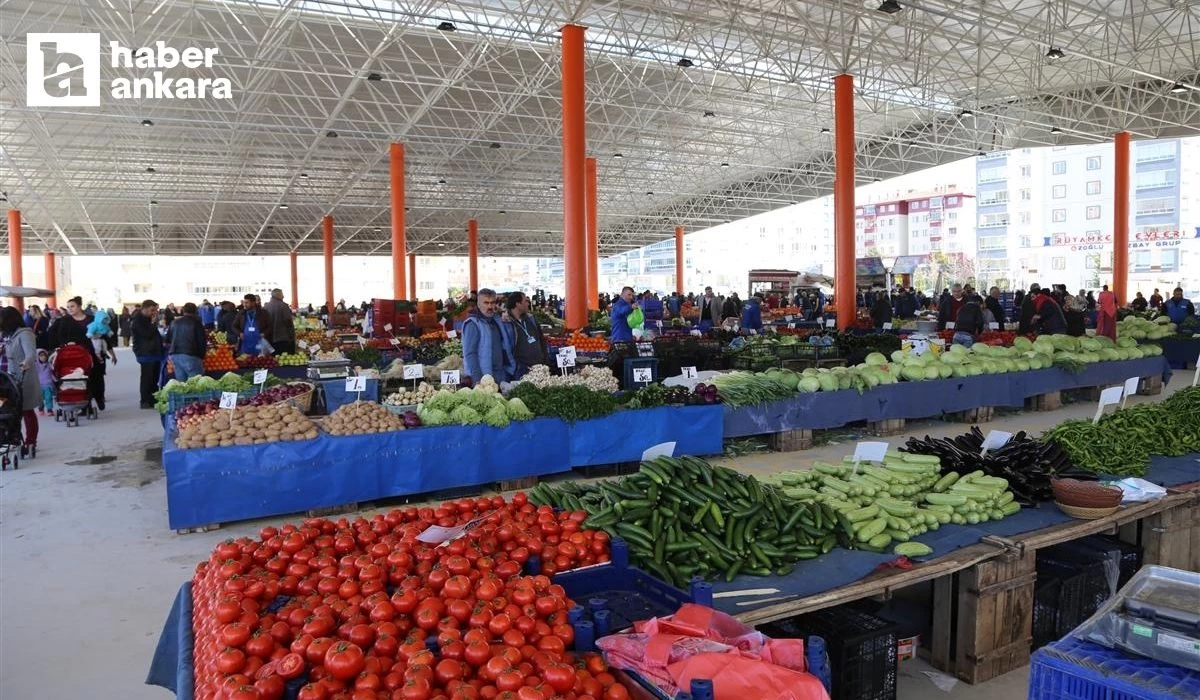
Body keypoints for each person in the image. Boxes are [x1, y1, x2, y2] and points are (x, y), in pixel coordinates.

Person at [1, 306, 41, 457]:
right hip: (10, 379)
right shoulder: (9, 335)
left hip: (25, 378)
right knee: (11, 412)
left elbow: (31, 353)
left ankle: (31, 441)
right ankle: (13, 438)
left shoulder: (25, 334)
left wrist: (26, 362)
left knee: (27, 411)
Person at [462, 289, 513, 383]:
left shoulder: (497, 320)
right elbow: (470, 354)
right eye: (486, 303)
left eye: (492, 302)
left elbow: (506, 343)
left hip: (500, 375)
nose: (490, 306)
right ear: (478, 304)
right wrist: (478, 379)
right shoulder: (472, 324)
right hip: (484, 377)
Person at [501, 292, 546, 380]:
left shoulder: (531, 319)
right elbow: (505, 348)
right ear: (518, 304)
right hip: (520, 370)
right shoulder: (506, 323)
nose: (528, 303)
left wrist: (544, 359)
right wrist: (515, 367)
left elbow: (541, 339)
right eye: (525, 301)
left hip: (539, 367)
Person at [131, 300, 164, 409]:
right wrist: (153, 323)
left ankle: (153, 398)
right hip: (145, 353)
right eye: (152, 310)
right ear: (144, 309)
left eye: (155, 310)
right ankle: (145, 400)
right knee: (147, 377)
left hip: (155, 353)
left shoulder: (149, 319)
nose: (154, 313)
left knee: (154, 377)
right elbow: (147, 334)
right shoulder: (138, 320)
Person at [86, 309, 118, 410]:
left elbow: (108, 345)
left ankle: (100, 396)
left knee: (99, 377)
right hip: (90, 357)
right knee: (91, 378)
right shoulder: (91, 330)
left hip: (101, 357)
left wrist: (113, 356)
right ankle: (91, 396)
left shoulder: (104, 333)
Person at [167, 303, 207, 381]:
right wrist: (202, 356)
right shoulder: (197, 323)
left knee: (181, 384)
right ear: (195, 311)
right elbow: (202, 341)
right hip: (191, 355)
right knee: (196, 383)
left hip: (175, 355)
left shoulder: (174, 322)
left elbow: (168, 340)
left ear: (183, 310)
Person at [263, 288, 296, 355]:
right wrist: (292, 336)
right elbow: (288, 321)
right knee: (284, 360)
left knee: (273, 361)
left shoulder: (266, 306)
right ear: (278, 295)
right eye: (282, 295)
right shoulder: (283, 306)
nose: (283, 296)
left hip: (270, 339)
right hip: (283, 338)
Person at [35, 348, 54, 416]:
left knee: (48, 397)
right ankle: (41, 409)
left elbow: (52, 372)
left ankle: (49, 409)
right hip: (39, 384)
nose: (43, 357)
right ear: (38, 357)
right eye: (41, 355)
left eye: (44, 355)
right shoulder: (36, 365)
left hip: (48, 384)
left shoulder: (49, 365)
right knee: (40, 398)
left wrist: (55, 380)